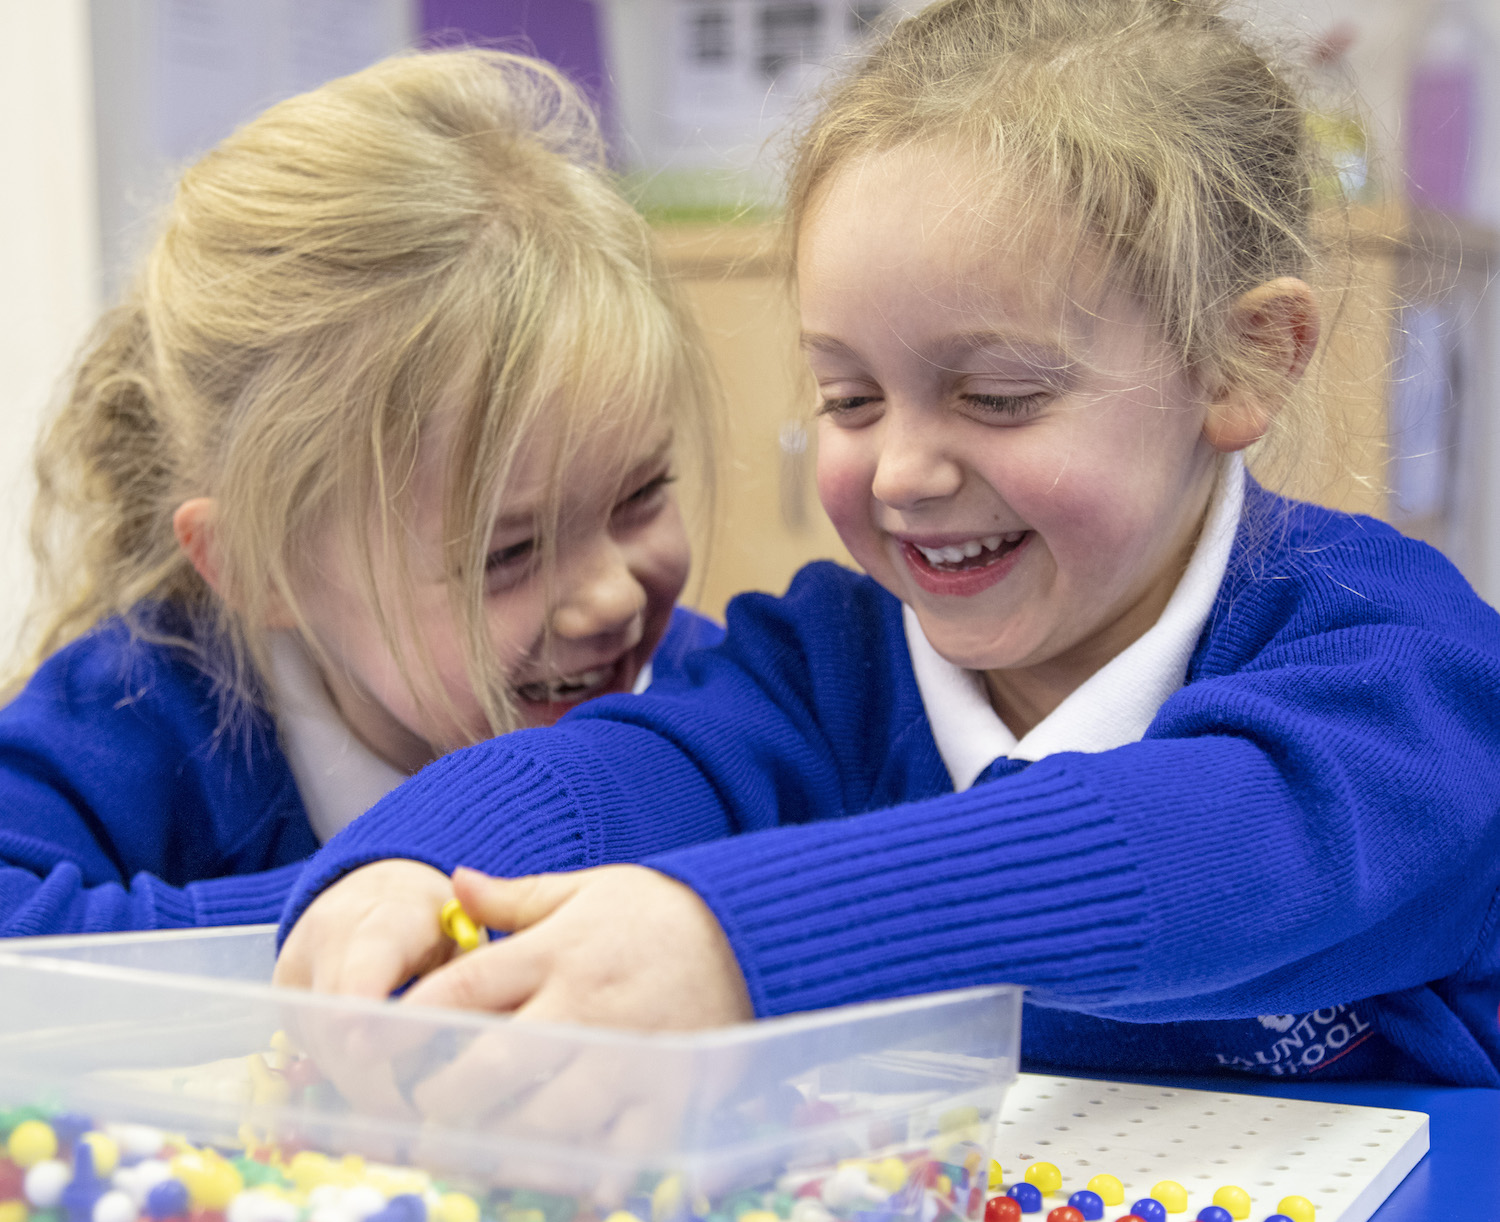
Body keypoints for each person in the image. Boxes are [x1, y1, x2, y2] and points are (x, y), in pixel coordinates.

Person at [276, 0, 1500, 1088]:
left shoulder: (1401, 669)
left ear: (1242, 364)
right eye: (851, 400)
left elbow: (1197, 839)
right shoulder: (828, 668)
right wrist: (409, 868)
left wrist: (738, 940)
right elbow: (629, 766)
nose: (904, 472)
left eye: (999, 396)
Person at [0, 48, 719, 938]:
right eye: (506, 553)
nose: (613, 596)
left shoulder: (705, 695)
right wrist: (361, 905)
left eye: (641, 495)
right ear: (262, 571)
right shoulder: (138, 715)